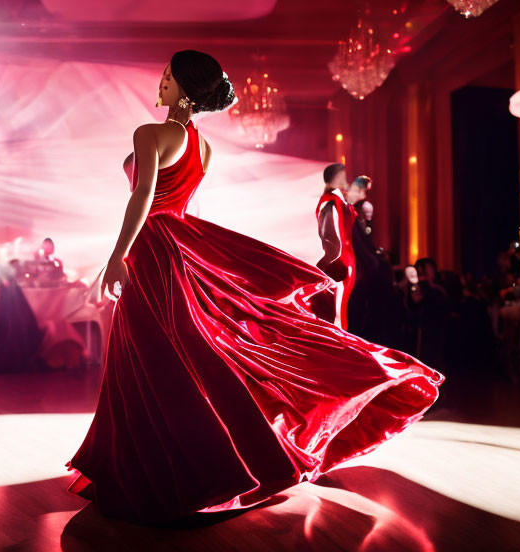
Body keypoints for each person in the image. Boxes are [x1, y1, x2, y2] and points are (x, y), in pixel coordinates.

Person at [66, 50, 444, 523]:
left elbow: (143, 197)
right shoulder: (202, 147)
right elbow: (188, 210)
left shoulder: (150, 133)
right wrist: (193, 253)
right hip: (178, 246)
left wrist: (117, 256)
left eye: (167, 76)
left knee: (153, 355)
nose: (160, 82)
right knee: (185, 353)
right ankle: (190, 462)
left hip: (153, 248)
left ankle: (165, 468)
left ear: (184, 86)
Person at [313, 162, 356, 327]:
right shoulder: (330, 202)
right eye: (343, 176)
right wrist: (325, 267)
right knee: (337, 316)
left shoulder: (338, 201)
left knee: (341, 312)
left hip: (343, 263)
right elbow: (329, 238)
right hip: (339, 266)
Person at [346, 175, 380, 341]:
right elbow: (357, 242)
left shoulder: (356, 212)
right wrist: (372, 259)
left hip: (360, 271)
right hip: (355, 271)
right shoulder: (349, 211)